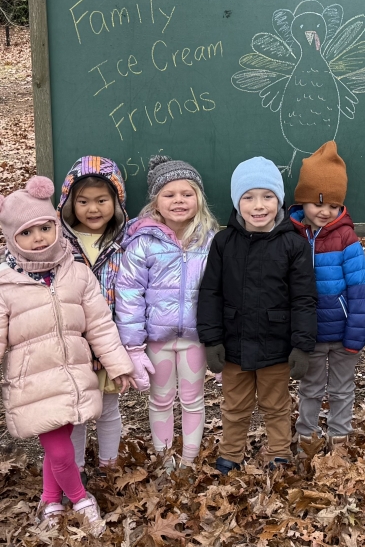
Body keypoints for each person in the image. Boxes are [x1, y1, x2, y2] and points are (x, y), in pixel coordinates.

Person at [0, 177, 134, 534]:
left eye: (45, 227)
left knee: (57, 446)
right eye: (26, 232)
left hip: (74, 375)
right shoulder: (6, 282)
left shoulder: (76, 273)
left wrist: (117, 365)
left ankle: (51, 500)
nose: (39, 238)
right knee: (60, 450)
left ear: (56, 225)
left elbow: (100, 325)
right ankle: (80, 499)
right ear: (11, 237)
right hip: (33, 383)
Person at [197, 156, 317, 474]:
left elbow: (304, 299)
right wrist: (211, 339)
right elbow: (210, 292)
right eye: (248, 197)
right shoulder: (224, 242)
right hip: (234, 344)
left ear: (279, 200)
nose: (259, 205)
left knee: (276, 405)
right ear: (237, 201)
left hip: (276, 344)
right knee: (235, 405)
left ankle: (279, 453)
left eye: (267, 196)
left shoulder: (293, 245)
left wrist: (302, 345)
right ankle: (231, 454)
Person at [115, 156, 217, 470]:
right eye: (169, 194)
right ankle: (165, 460)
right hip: (156, 340)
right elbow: (129, 293)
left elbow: (222, 290)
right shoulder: (143, 241)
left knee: (193, 399)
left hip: (195, 339)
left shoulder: (211, 239)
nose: (178, 201)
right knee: (160, 399)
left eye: (187, 194)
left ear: (199, 198)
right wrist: (133, 346)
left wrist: (221, 338)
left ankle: (188, 462)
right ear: (156, 202)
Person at [288, 142, 365, 453]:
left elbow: (361, 290)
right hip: (308, 335)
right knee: (309, 388)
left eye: (334, 205)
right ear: (303, 199)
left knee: (341, 388)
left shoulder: (346, 238)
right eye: (318, 203)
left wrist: (356, 335)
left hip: (341, 334)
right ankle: (306, 439)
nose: (325, 211)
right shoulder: (290, 236)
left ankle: (339, 438)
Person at [57, 156, 129, 480]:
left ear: (116, 201)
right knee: (75, 411)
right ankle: (75, 469)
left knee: (108, 408)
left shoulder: (124, 242)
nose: (93, 209)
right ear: (70, 203)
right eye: (83, 201)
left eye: (102, 200)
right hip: (71, 344)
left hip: (109, 341)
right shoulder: (59, 244)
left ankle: (108, 466)